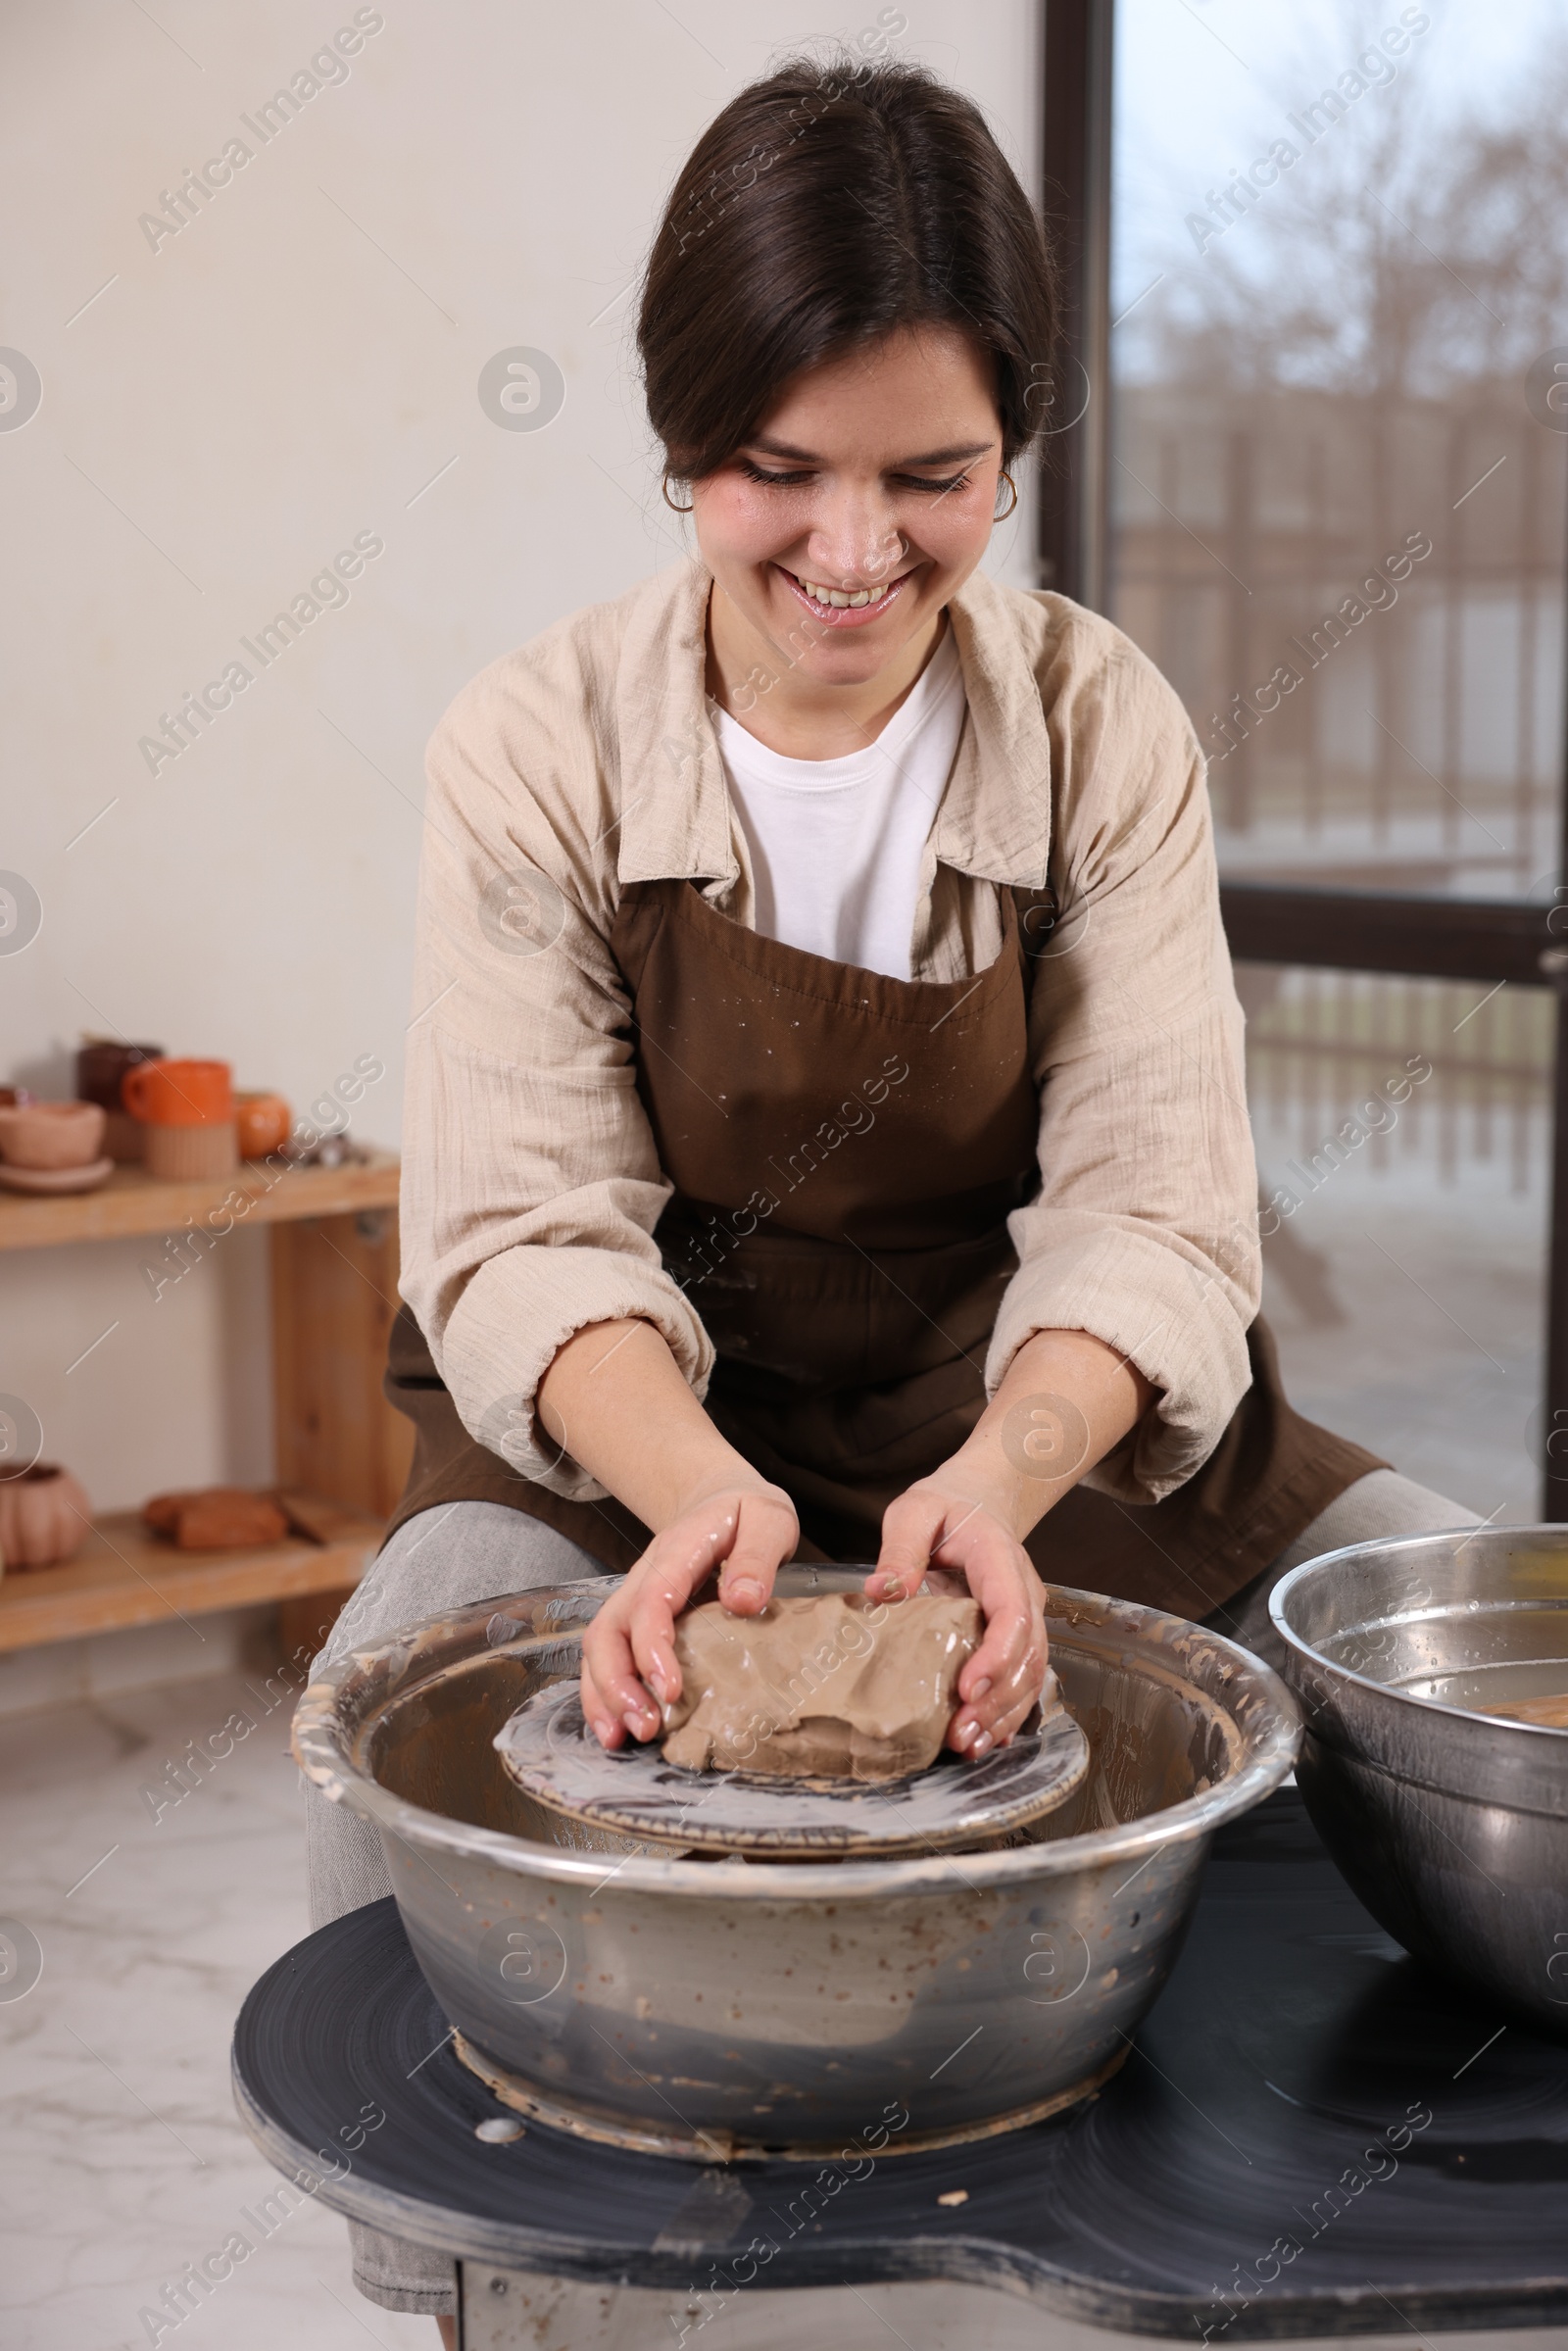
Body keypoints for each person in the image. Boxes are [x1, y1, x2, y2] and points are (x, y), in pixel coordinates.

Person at [306, 55, 1475, 2331]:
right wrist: (691, 1502)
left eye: (932, 480)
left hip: (1012, 1393)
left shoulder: (1097, 725)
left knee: (1438, 1630)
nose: (856, 555)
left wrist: (1006, 1475)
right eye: (779, 474)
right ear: (677, 443)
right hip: (634, 1423)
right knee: (373, 1730)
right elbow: (528, 1229)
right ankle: (472, 2274)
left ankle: (1286, 2208)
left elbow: (1150, 1196)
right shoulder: (532, 747)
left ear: (1011, 450)